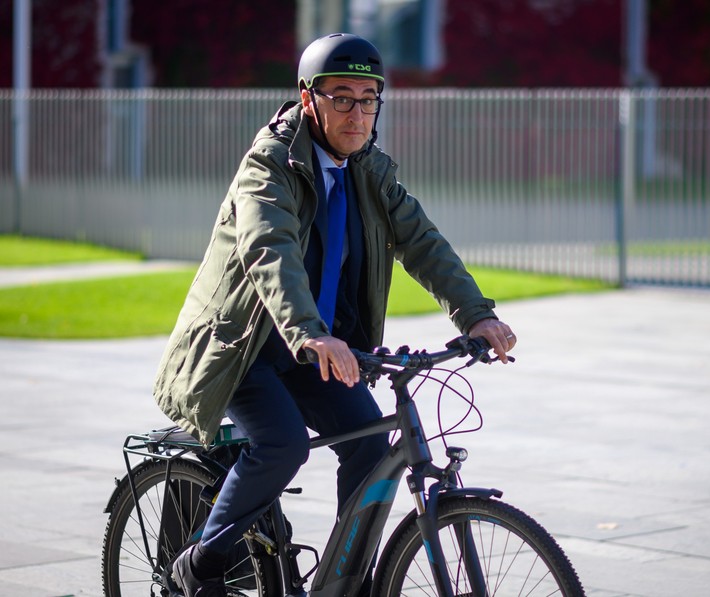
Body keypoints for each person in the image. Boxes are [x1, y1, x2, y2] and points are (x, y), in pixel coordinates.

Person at [153, 32, 517, 597]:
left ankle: (345, 580)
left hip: (318, 348)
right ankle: (198, 563)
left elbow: (422, 242)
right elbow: (268, 251)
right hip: (242, 348)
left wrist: (475, 315)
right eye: (340, 96)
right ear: (308, 100)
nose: (357, 112)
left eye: (369, 97)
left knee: (372, 446)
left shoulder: (369, 170)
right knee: (283, 444)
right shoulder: (268, 166)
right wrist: (309, 334)